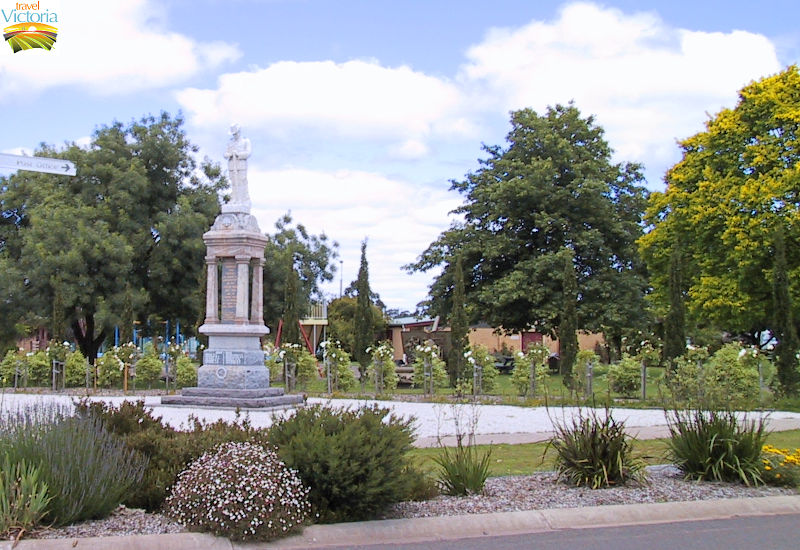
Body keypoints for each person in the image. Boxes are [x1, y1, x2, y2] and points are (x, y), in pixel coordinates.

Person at [223, 124, 252, 212]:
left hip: (241, 165)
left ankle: (243, 200)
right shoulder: (230, 142)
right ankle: (234, 199)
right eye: (233, 134)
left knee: (242, 182)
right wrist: (230, 154)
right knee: (233, 183)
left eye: (235, 133)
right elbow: (225, 154)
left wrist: (238, 154)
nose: (234, 135)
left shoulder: (245, 141)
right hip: (232, 165)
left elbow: (248, 153)